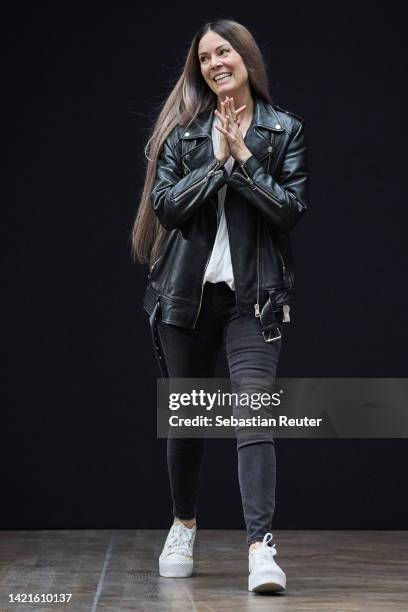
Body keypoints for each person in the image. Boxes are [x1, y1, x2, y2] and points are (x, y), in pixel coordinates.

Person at [131, 18, 309, 593]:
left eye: (223, 51)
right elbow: (167, 207)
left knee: (253, 416)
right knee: (188, 424)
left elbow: (289, 212)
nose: (214, 63)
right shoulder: (184, 136)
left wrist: (246, 160)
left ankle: (260, 548)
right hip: (186, 302)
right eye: (204, 58)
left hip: (254, 303)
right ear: (199, 71)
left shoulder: (284, 130)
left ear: (245, 58)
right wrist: (218, 162)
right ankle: (183, 524)